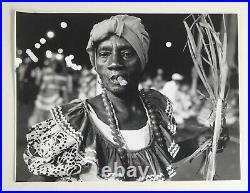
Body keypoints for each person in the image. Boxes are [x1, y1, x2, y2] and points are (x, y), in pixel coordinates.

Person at [23, 15, 227, 182]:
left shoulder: (156, 109)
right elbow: (38, 182)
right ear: (96, 64)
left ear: (142, 61)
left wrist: (198, 142)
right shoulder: (76, 122)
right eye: (104, 54)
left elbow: (162, 156)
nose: (114, 63)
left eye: (127, 53)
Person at [28, 55, 72, 127]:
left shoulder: (49, 76)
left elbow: (42, 88)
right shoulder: (63, 77)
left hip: (48, 98)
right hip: (54, 99)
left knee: (44, 118)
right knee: (52, 119)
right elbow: (65, 91)